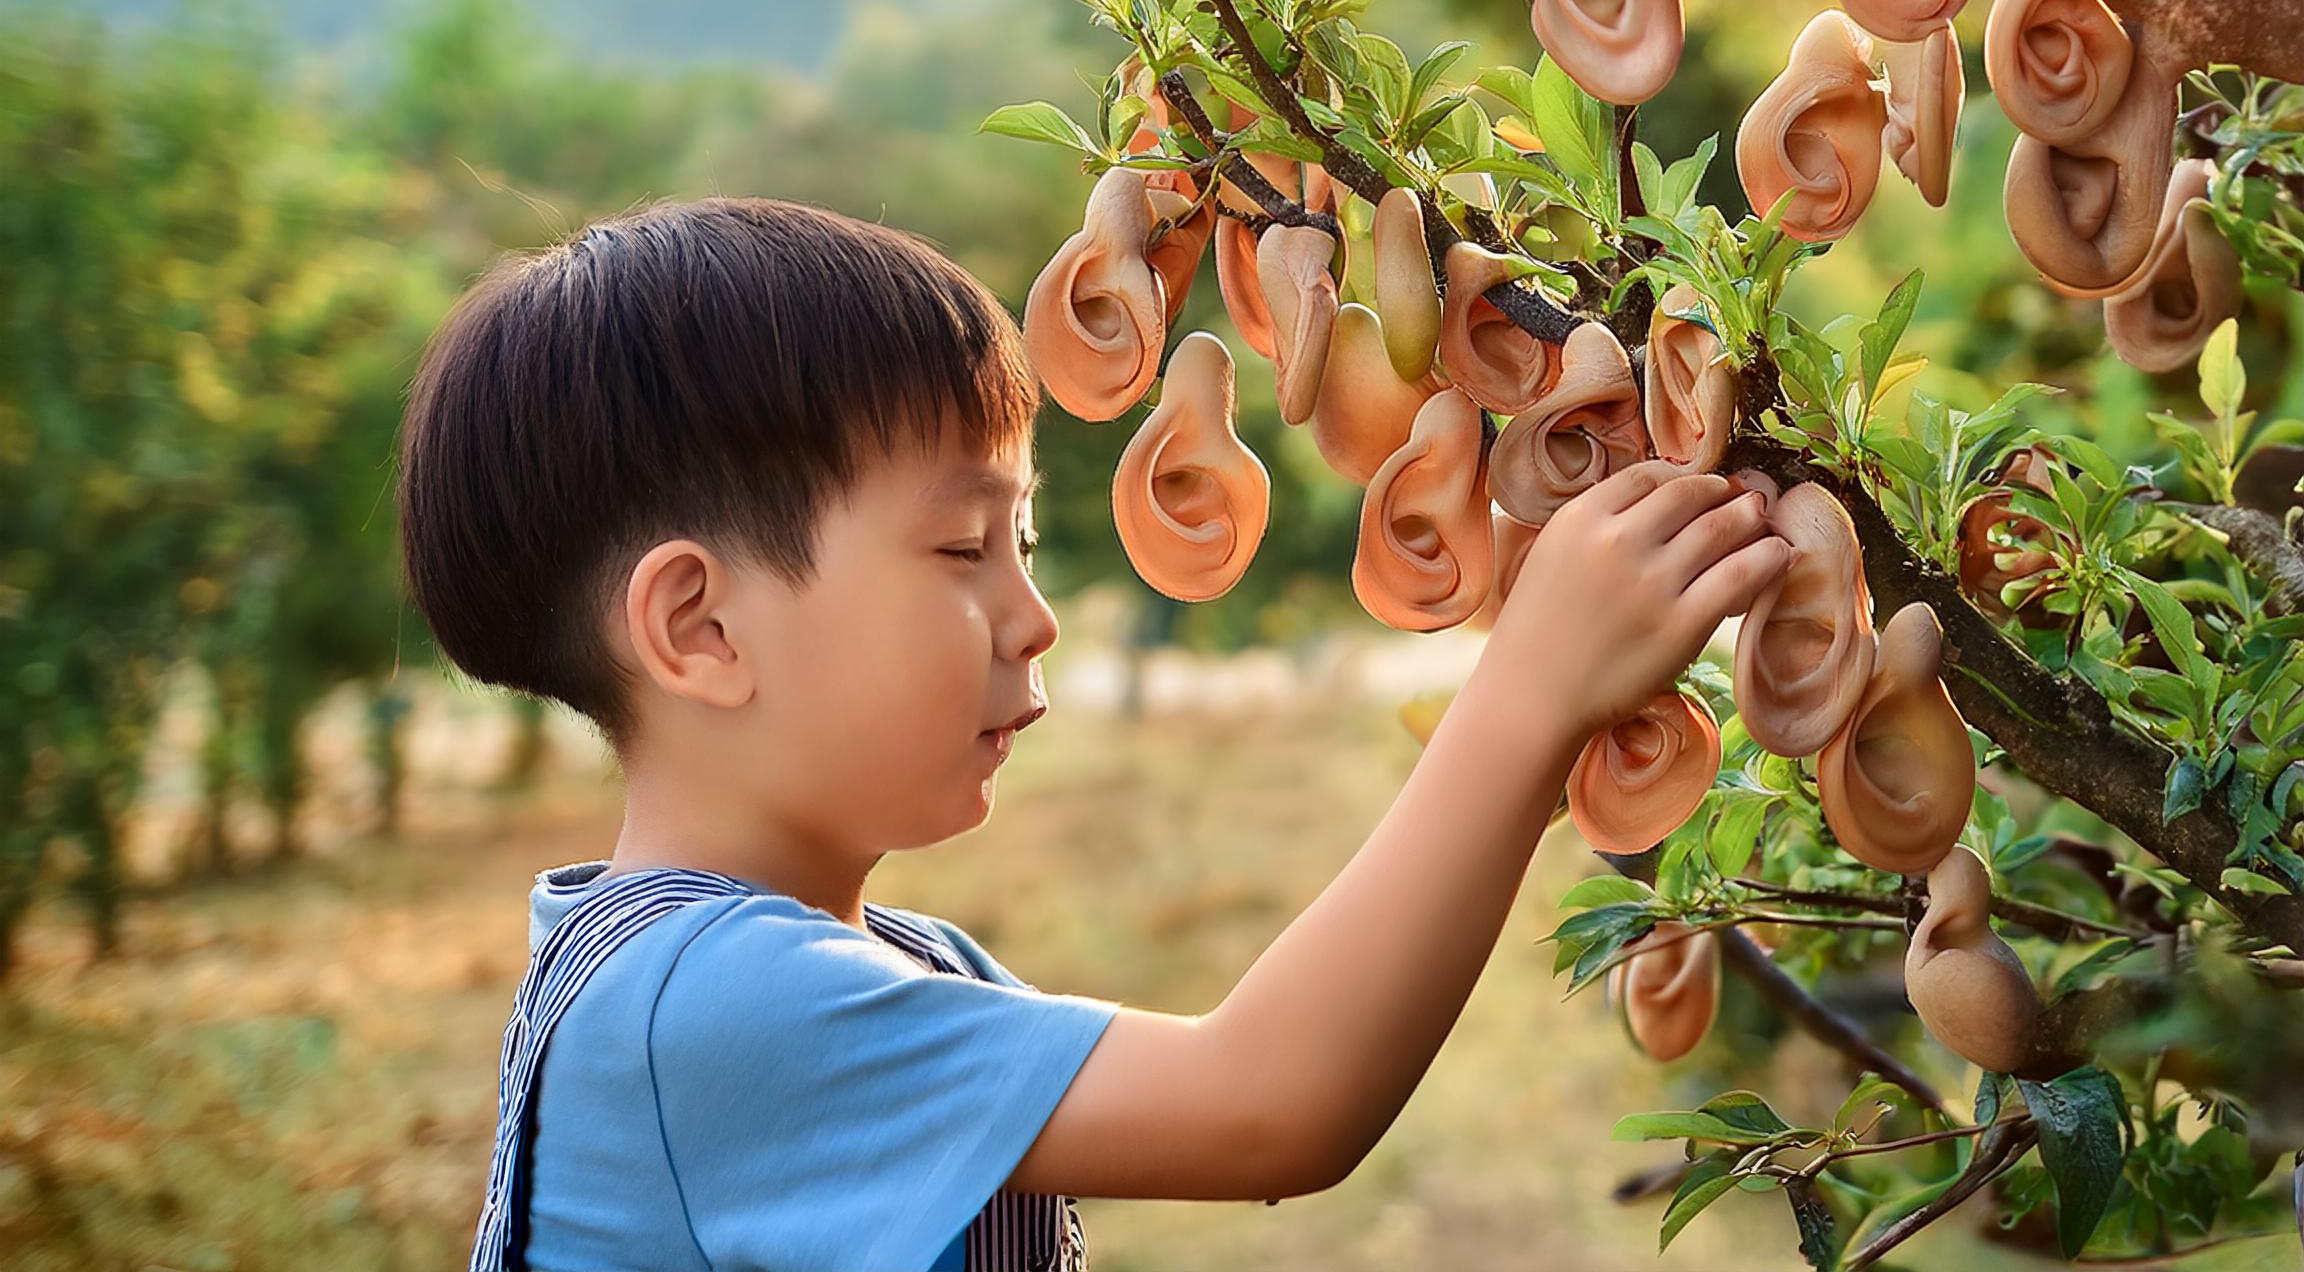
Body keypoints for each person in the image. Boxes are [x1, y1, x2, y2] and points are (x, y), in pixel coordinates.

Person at [395, 193, 1792, 1272]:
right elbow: (1270, 1103)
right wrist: (1525, 697)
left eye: (1025, 539)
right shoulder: (698, 1011)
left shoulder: (885, 967)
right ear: (698, 629)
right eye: (960, 550)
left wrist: (1550, 733)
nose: (1035, 616)